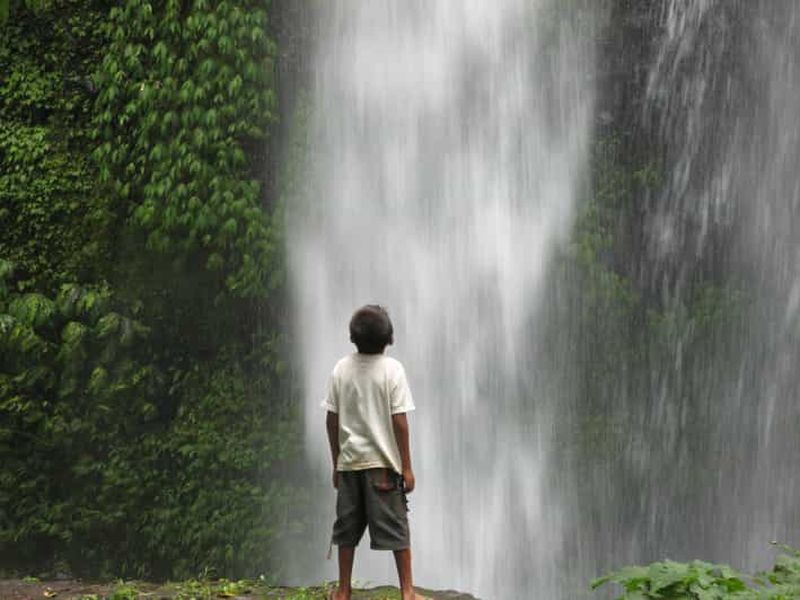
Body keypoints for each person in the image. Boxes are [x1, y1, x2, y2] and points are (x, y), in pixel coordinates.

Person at [322, 305, 425, 600]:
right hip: (383, 467)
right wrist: (407, 467)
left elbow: (331, 419)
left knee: (346, 530)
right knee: (398, 530)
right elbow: (400, 422)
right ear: (389, 338)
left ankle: (343, 590)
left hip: (350, 464)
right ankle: (407, 591)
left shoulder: (341, 368)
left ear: (352, 338)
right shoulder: (392, 370)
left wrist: (336, 462)